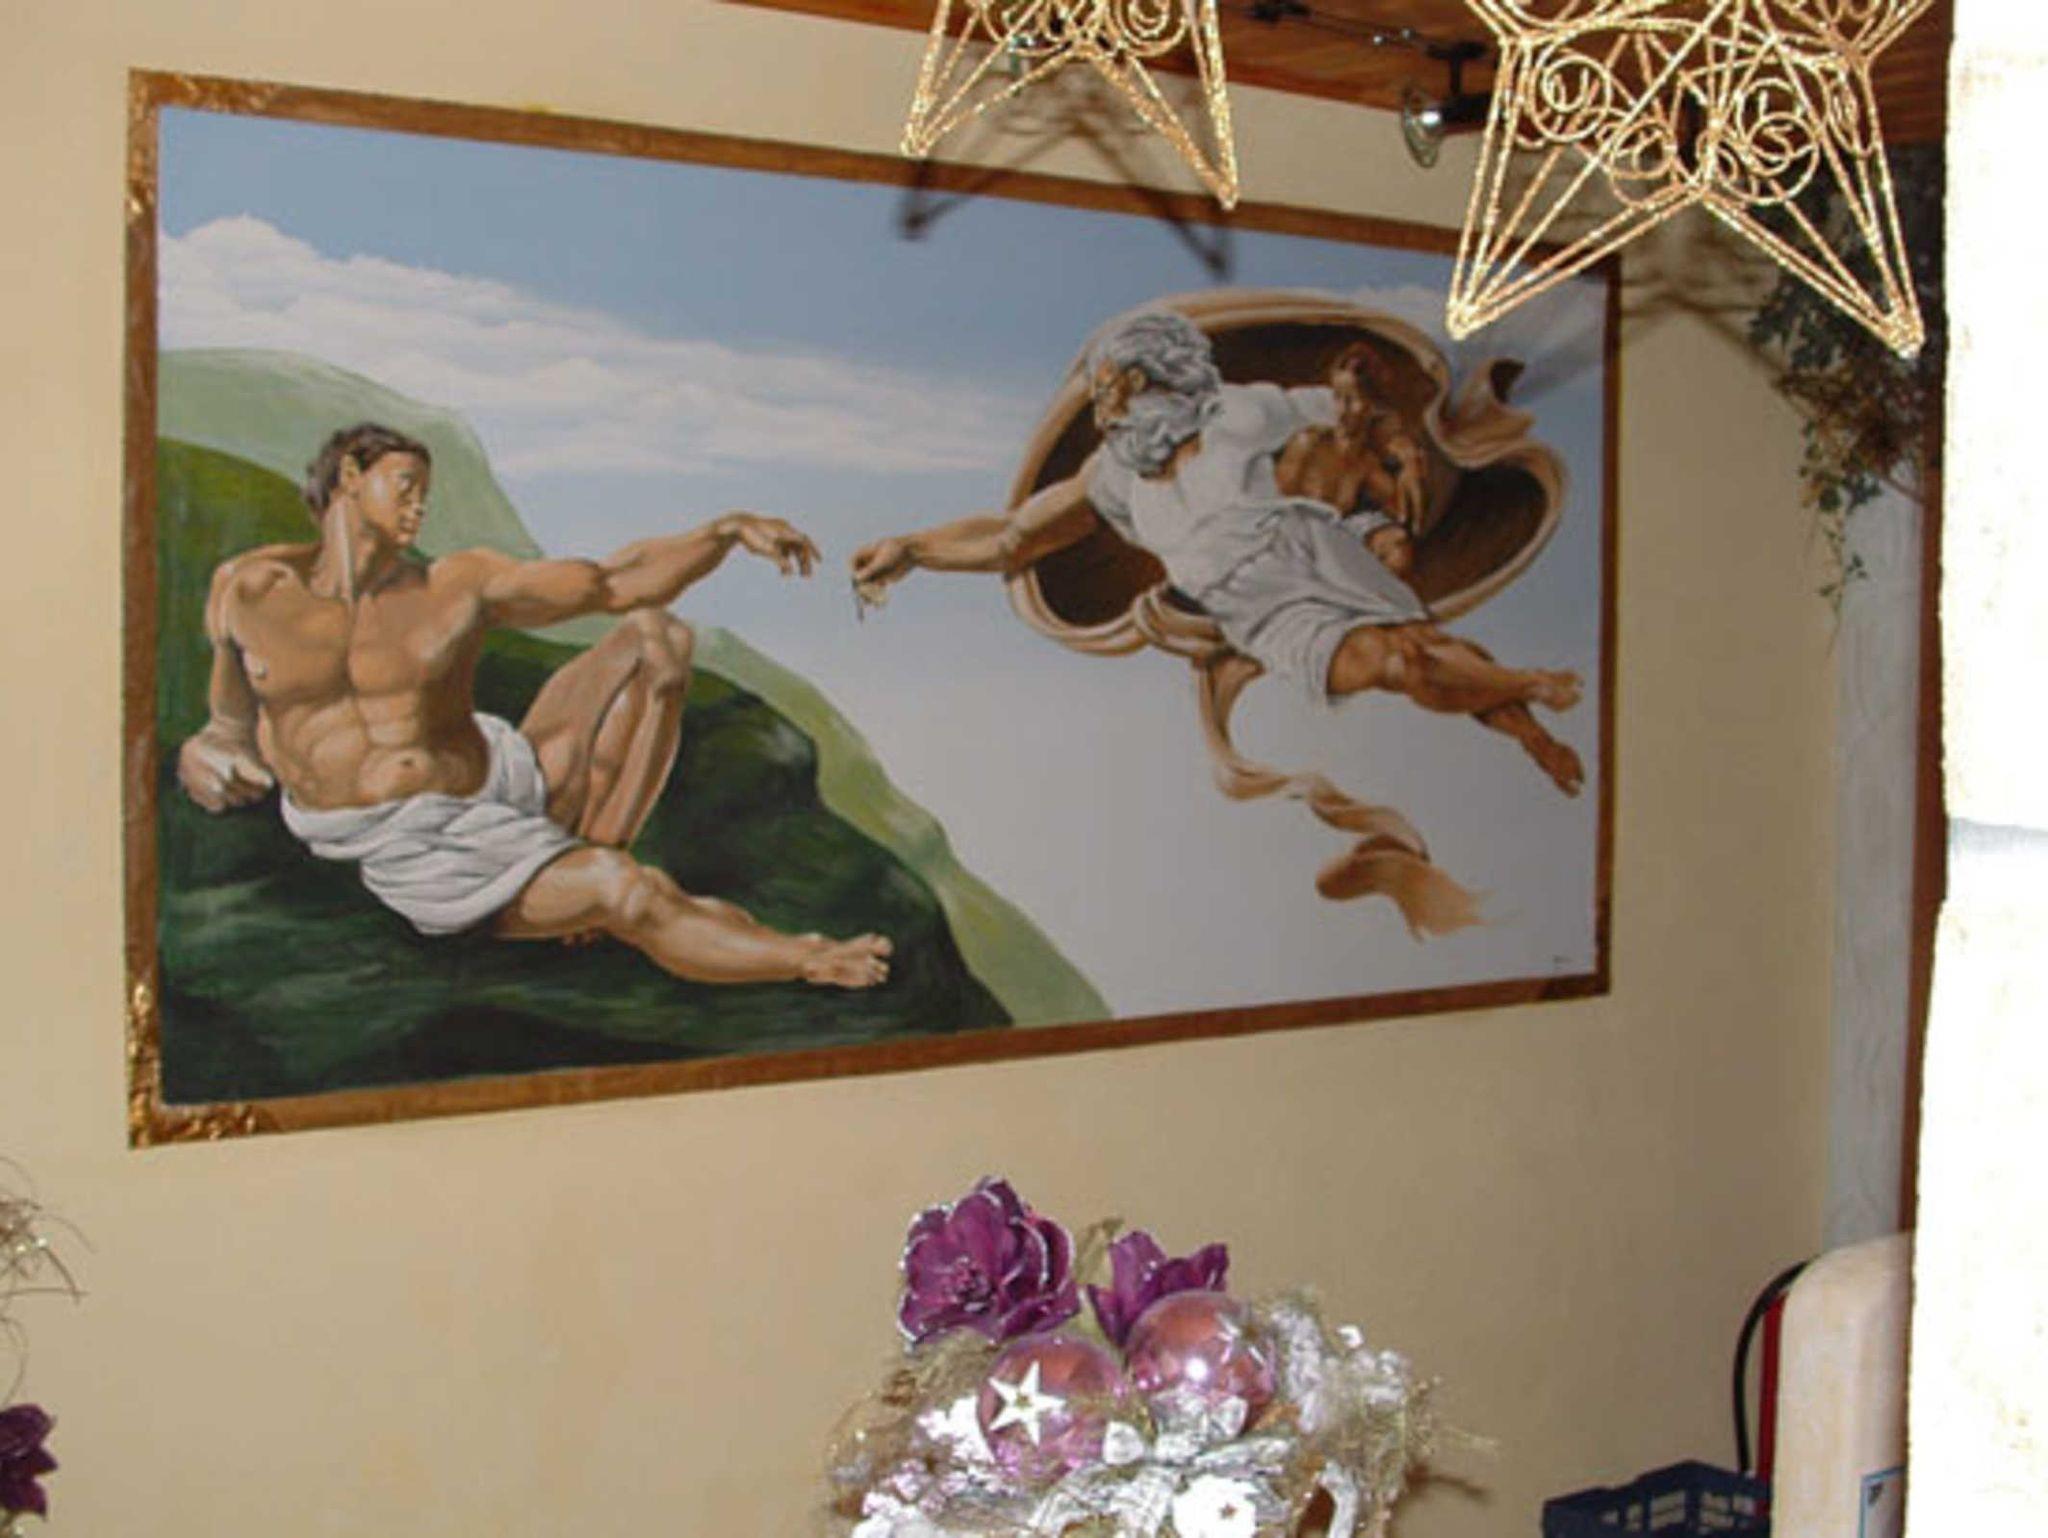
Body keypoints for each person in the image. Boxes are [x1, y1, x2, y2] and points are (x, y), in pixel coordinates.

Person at [177, 422, 891, 989]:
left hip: (496, 776)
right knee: (627, 893)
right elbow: (225, 729)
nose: (420, 504)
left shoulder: (455, 586)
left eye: (426, 490)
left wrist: (724, 533)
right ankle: (806, 957)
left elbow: (612, 583)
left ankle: (593, 856)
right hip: (414, 841)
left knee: (655, 637)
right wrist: (206, 758)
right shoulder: (249, 590)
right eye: (406, 485)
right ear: (349, 477)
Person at [850, 310, 1583, 798]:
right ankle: (1526, 686)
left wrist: (1403, 450)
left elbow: (1356, 414)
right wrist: (914, 548)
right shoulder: (1111, 480)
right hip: (1259, 617)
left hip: (1309, 551)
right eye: (1104, 393)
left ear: (1152, 382)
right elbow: (1012, 537)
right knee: (1397, 665)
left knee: (1418, 649)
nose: (1106, 408)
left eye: (1117, 389)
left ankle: (1528, 716)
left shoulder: (1240, 413)